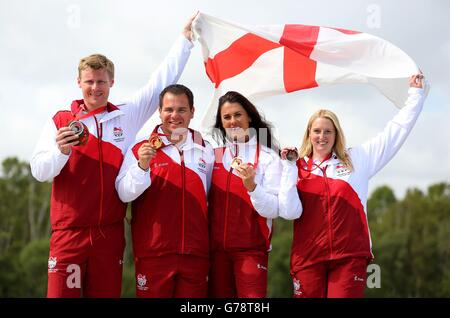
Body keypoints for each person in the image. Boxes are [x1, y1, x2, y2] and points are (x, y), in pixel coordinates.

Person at [30, 15, 197, 298]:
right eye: (89, 81)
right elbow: (39, 171)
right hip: (69, 233)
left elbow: (160, 82)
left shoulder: (125, 116)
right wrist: (61, 152)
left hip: (109, 235)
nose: (95, 88)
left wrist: (185, 40)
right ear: (78, 82)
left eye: (101, 82)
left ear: (112, 82)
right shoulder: (61, 120)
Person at [278, 74, 429, 298]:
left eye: (328, 131)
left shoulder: (357, 160)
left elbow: (394, 133)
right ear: (309, 134)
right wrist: (289, 167)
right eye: (317, 131)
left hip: (349, 257)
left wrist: (415, 95)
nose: (322, 136)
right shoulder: (295, 167)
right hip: (308, 258)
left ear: (336, 134)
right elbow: (288, 211)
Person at [116, 84, 214, 298]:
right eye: (168, 109)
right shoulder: (139, 148)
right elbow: (124, 193)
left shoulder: (206, 149)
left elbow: (209, 198)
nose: (174, 116)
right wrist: (142, 165)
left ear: (192, 112)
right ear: (159, 112)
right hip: (154, 252)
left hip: (195, 253)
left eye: (181, 109)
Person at [208, 91, 282, 298]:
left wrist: (252, 186)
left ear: (249, 116)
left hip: (251, 252)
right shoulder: (212, 156)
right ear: (221, 123)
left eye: (238, 115)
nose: (233, 121)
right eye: (227, 117)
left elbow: (274, 210)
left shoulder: (268, 158)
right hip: (215, 253)